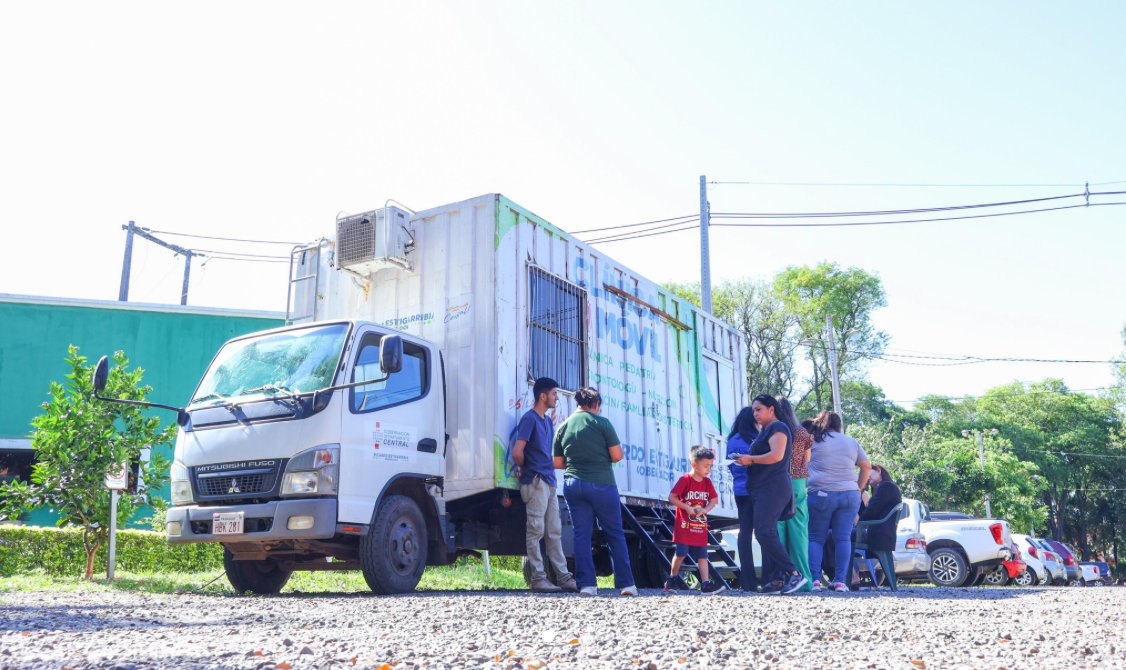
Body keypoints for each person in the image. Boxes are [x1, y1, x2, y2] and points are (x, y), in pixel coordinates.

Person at [553, 387, 637, 596]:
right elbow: (617, 456)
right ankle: (626, 585)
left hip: (573, 484)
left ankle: (587, 586)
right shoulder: (602, 423)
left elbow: (557, 462)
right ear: (596, 404)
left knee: (581, 535)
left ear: (578, 403)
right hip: (601, 484)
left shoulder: (564, 426)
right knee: (614, 534)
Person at [511, 377, 577, 593]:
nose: (557, 397)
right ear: (543, 396)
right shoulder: (529, 419)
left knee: (554, 531)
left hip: (549, 483)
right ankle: (538, 578)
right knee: (536, 531)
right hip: (536, 482)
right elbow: (517, 452)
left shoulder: (547, 421)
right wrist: (526, 469)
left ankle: (563, 578)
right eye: (554, 393)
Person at [739, 394, 807, 595]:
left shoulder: (778, 428)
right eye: (753, 411)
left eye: (759, 409)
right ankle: (776, 581)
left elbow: (776, 456)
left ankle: (795, 574)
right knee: (769, 533)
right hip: (763, 489)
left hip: (774, 489)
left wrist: (750, 459)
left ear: (771, 409)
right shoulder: (765, 430)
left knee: (763, 532)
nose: (755, 414)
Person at [806, 411, 872, 593]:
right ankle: (841, 582)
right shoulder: (850, 441)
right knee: (842, 538)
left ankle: (815, 581)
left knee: (816, 539)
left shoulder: (813, 440)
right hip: (849, 494)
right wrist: (858, 488)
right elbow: (867, 466)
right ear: (838, 425)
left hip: (820, 493)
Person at [666, 446, 725, 594]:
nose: (708, 469)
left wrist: (706, 510)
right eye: (706, 466)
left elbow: (713, 500)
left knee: (703, 556)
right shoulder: (685, 479)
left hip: (699, 526)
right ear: (694, 465)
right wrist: (686, 507)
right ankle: (671, 579)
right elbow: (672, 497)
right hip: (684, 526)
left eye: (710, 466)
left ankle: (705, 584)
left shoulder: (707, 482)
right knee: (681, 554)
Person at [775, 398, 813, 592]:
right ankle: (805, 579)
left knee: (778, 530)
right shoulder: (801, 432)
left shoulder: (775, 430)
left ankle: (782, 578)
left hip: (777, 482)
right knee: (799, 531)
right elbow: (807, 459)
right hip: (797, 482)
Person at [725, 407, 759, 591]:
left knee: (744, 533)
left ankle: (748, 581)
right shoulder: (758, 439)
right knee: (764, 532)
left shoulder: (733, 440)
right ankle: (770, 577)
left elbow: (730, 466)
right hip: (758, 490)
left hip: (739, 490)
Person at [855, 464, 902, 588]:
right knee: (838, 537)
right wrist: (861, 491)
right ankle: (849, 578)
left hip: (879, 533)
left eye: (867, 474)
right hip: (881, 532)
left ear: (878, 471)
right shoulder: (885, 488)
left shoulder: (887, 487)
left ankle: (848, 579)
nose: (866, 478)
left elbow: (870, 513)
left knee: (836, 537)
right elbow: (865, 513)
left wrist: (858, 522)